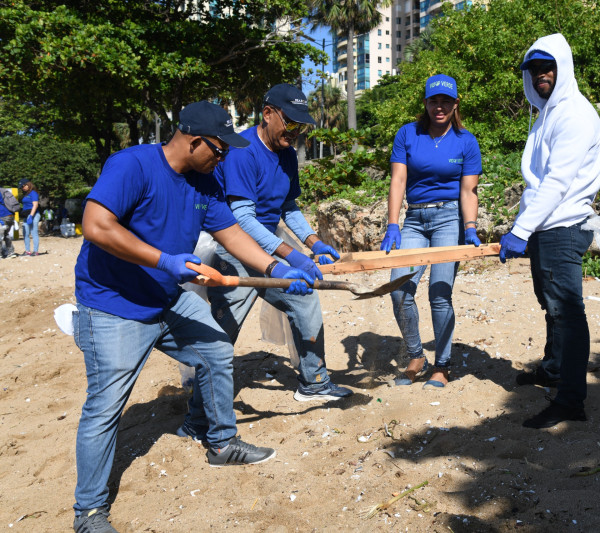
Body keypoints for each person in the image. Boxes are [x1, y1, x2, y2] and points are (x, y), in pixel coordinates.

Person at [71, 100, 315, 533]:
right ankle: (88, 512)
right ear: (194, 140)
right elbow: (96, 226)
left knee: (216, 349)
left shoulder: (206, 180)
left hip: (165, 296)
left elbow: (231, 233)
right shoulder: (133, 166)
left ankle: (218, 441)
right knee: (105, 407)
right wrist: (164, 260)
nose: (224, 159)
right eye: (220, 150)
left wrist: (276, 268)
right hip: (113, 303)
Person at [204, 83, 353, 404]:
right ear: (268, 113)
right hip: (235, 251)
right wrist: (290, 256)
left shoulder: (286, 155)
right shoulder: (243, 151)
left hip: (270, 243)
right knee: (221, 332)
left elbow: (288, 207)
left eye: (302, 126)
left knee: (305, 300)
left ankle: (314, 381)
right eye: (291, 123)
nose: (296, 132)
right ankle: (200, 403)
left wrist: (314, 242)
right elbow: (242, 219)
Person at [499, 33, 600, 429]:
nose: (540, 74)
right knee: (552, 306)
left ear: (563, 67)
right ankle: (554, 369)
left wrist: (520, 230)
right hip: (546, 226)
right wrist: (526, 227)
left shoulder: (574, 114)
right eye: (533, 68)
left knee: (567, 312)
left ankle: (571, 401)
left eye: (548, 66)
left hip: (563, 225)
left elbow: (558, 182)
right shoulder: (547, 113)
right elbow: (539, 180)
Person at [380, 74, 482, 389]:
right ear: (425, 103)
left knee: (439, 293)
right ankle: (416, 356)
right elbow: (398, 180)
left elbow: (468, 191)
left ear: (455, 104)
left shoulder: (466, 141)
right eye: (434, 100)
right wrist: (393, 223)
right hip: (414, 219)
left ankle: (442, 365)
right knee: (399, 289)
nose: (440, 107)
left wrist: (470, 227)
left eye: (446, 101)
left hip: (449, 218)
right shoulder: (408, 134)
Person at [18, 178, 40, 256]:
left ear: (28, 184)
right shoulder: (26, 194)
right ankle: (27, 251)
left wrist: (31, 216)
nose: (22, 188)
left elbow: (35, 205)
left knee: (34, 232)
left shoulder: (33, 193)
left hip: (33, 215)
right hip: (26, 215)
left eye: (23, 186)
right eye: (21, 187)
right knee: (25, 233)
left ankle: (35, 251)